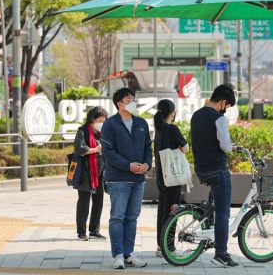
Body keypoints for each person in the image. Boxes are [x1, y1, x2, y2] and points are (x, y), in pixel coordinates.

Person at [100, 88, 151, 270]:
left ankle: (129, 254)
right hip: (119, 179)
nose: (133, 101)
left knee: (132, 218)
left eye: (133, 98)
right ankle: (118, 255)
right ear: (119, 103)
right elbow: (108, 152)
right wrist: (128, 165)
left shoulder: (141, 123)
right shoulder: (110, 125)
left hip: (139, 180)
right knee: (117, 217)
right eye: (129, 99)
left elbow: (148, 148)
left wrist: (147, 164)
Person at [190, 84, 238, 267]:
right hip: (218, 169)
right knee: (223, 212)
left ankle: (208, 225)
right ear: (224, 102)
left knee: (214, 206)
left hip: (201, 168)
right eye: (227, 106)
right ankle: (221, 254)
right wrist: (232, 147)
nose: (226, 110)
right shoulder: (219, 119)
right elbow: (225, 145)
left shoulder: (197, 115)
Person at [153, 99, 188, 258]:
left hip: (161, 176)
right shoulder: (172, 129)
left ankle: (161, 247)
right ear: (172, 113)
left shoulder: (158, 130)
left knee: (163, 211)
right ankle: (169, 248)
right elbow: (185, 148)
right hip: (173, 177)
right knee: (172, 212)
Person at [73, 106, 108, 241]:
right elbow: (79, 149)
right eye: (99, 121)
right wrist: (96, 149)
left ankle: (94, 230)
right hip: (86, 172)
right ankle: (81, 233)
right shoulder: (82, 131)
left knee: (98, 201)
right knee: (84, 202)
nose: (102, 124)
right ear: (92, 119)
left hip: (99, 172)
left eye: (104, 121)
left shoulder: (101, 133)